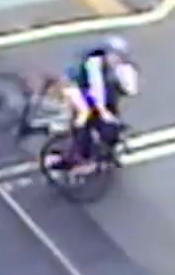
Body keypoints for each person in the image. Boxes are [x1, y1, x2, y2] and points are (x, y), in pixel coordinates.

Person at [58, 35, 138, 173]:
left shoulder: (116, 65)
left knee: (109, 112)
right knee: (88, 117)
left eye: (120, 57)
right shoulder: (94, 63)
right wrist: (102, 112)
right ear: (106, 53)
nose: (117, 60)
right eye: (114, 56)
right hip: (80, 86)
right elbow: (97, 91)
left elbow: (130, 88)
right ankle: (80, 155)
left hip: (94, 87)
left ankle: (107, 146)